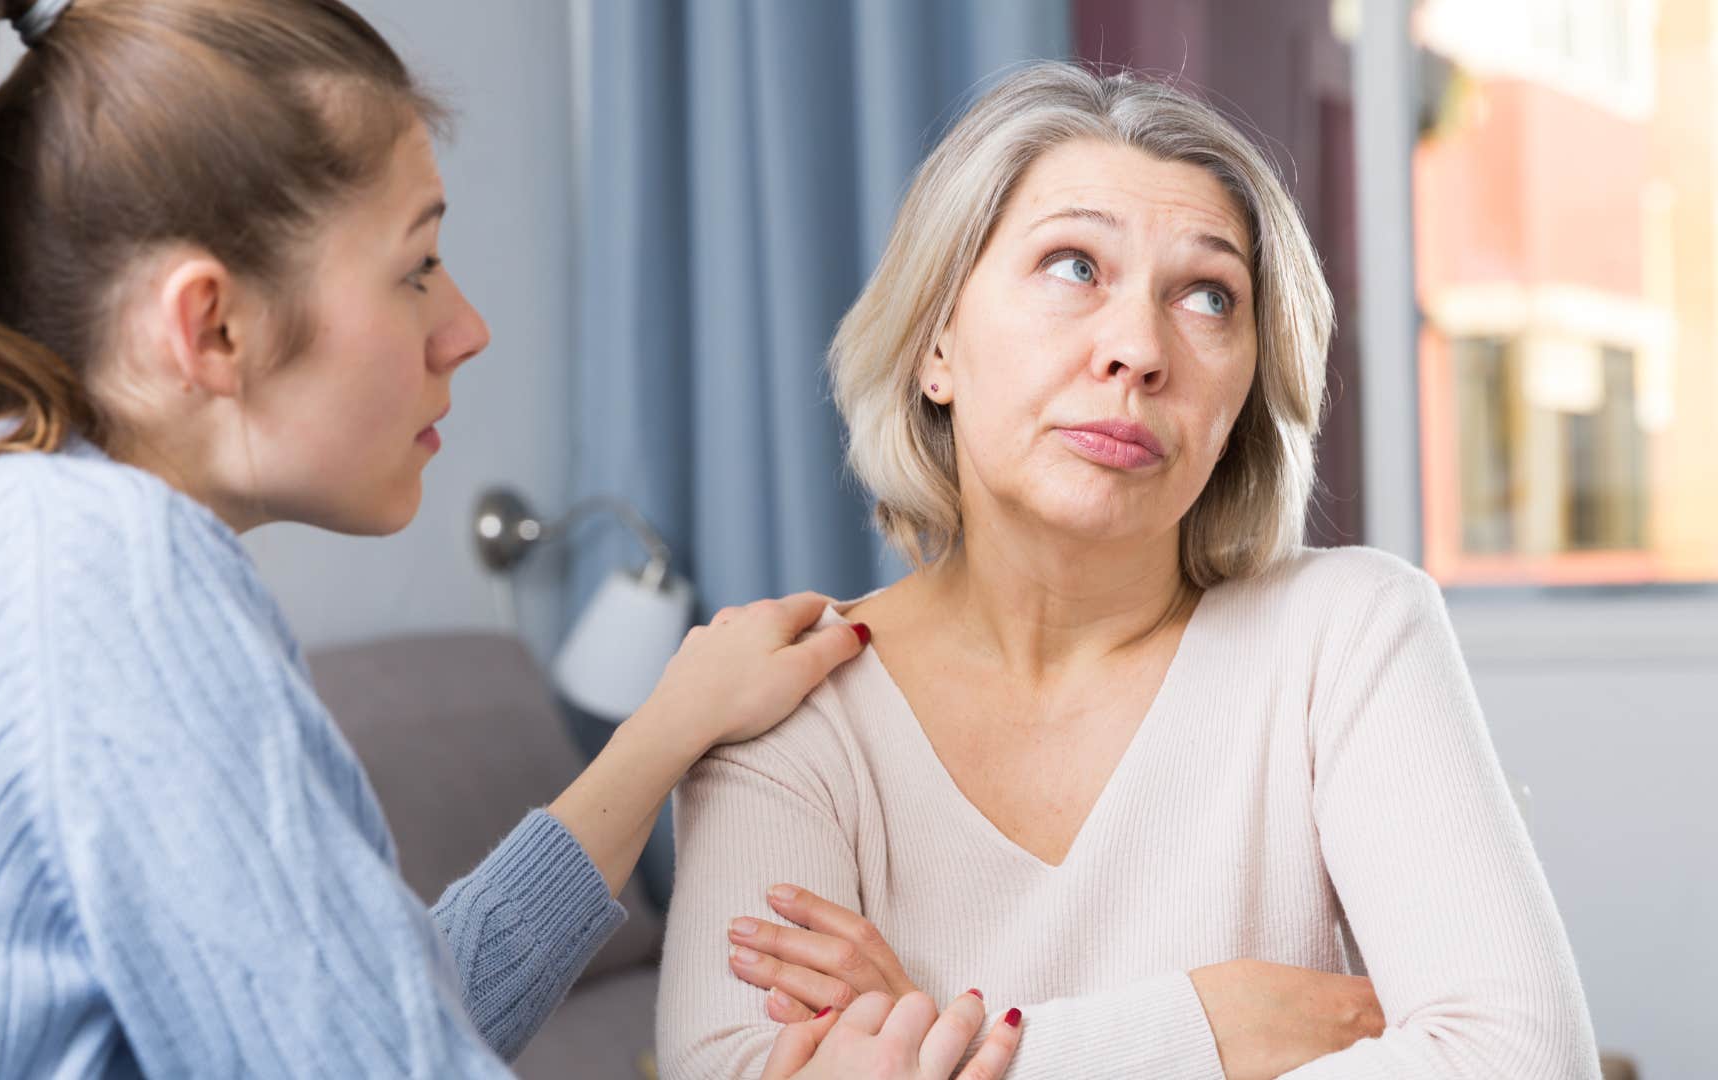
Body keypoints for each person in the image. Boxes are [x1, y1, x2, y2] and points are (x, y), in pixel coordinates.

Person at [0, 2, 1022, 1077]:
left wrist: (666, 729)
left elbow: (388, 996)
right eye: (417, 265)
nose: (467, 326)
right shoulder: (105, 574)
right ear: (210, 328)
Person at [657, 61, 1602, 1080]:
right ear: (937, 342)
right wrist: (1205, 1029)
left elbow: (1524, 1059)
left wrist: (957, 1050)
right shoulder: (790, 700)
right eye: (1074, 266)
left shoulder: (1353, 632)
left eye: (1207, 296)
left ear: (1244, 389)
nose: (1140, 350)